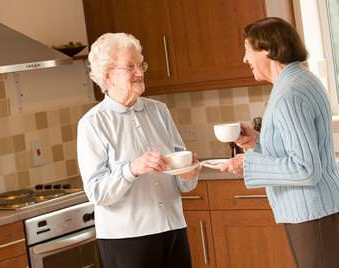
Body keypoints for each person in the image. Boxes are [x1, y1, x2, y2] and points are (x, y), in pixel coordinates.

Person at [220, 17, 339, 268]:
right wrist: (257, 142)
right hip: (317, 209)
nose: (245, 59)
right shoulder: (299, 80)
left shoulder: (289, 94)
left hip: (311, 212)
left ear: (267, 50)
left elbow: (305, 168)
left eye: (247, 50)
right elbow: (298, 148)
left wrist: (248, 164)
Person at [77, 32, 200, 268]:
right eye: (130, 66)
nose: (140, 72)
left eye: (141, 64)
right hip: (127, 238)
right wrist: (131, 169)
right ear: (108, 75)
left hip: (173, 227)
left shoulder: (159, 111)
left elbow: (181, 178)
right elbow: (97, 192)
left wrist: (187, 174)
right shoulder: (93, 123)